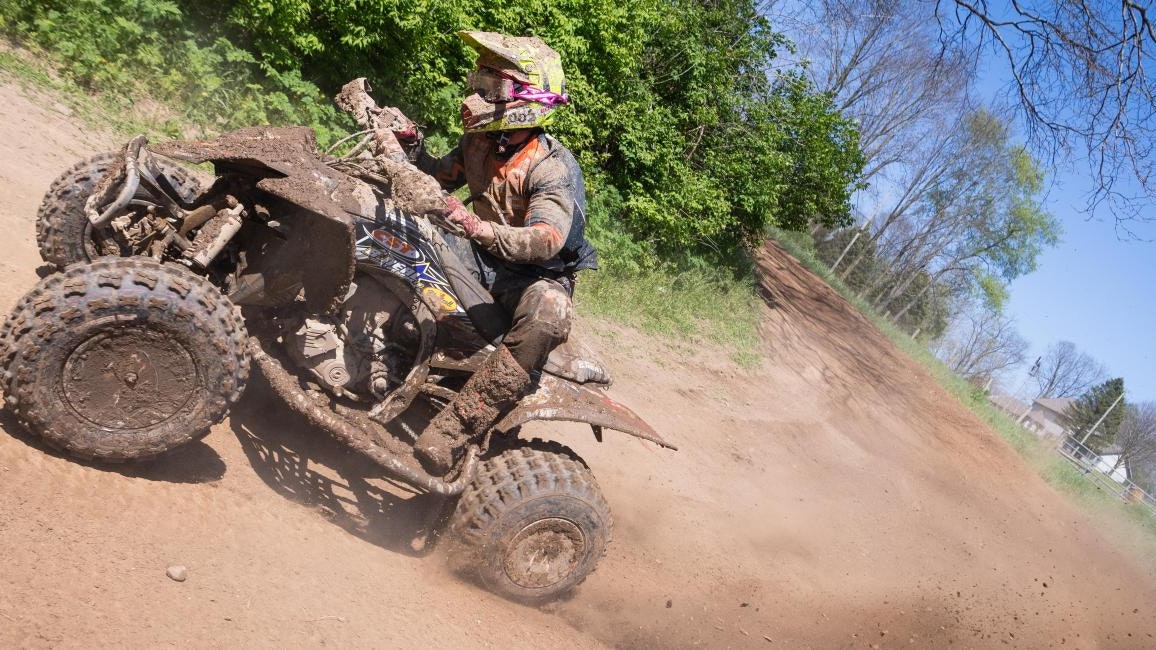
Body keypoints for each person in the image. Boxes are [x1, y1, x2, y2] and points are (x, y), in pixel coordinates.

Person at [392, 31, 598, 474]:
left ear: (525, 99)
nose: (477, 95)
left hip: (535, 276)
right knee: (406, 227)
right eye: (478, 82)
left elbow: (546, 238)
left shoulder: (550, 166)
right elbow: (437, 177)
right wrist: (409, 142)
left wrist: (474, 225)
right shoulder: (480, 142)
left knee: (550, 314)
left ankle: (457, 426)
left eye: (491, 87)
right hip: (480, 255)